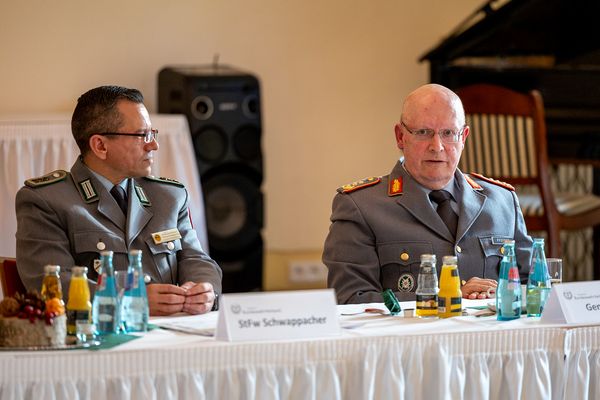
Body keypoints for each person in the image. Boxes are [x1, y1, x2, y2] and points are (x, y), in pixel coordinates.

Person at [15, 85, 222, 315]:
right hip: (97, 344)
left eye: (152, 134)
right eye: (142, 135)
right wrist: (130, 301)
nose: (154, 144)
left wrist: (205, 291)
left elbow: (197, 260)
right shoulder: (45, 201)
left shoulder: (169, 196)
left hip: (172, 336)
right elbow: (53, 285)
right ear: (100, 145)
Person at [323, 83, 533, 304]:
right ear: (400, 137)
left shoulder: (502, 201)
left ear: (463, 137)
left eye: (448, 133)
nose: (437, 146)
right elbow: (349, 299)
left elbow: (534, 287)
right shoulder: (361, 206)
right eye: (423, 132)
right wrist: (446, 297)